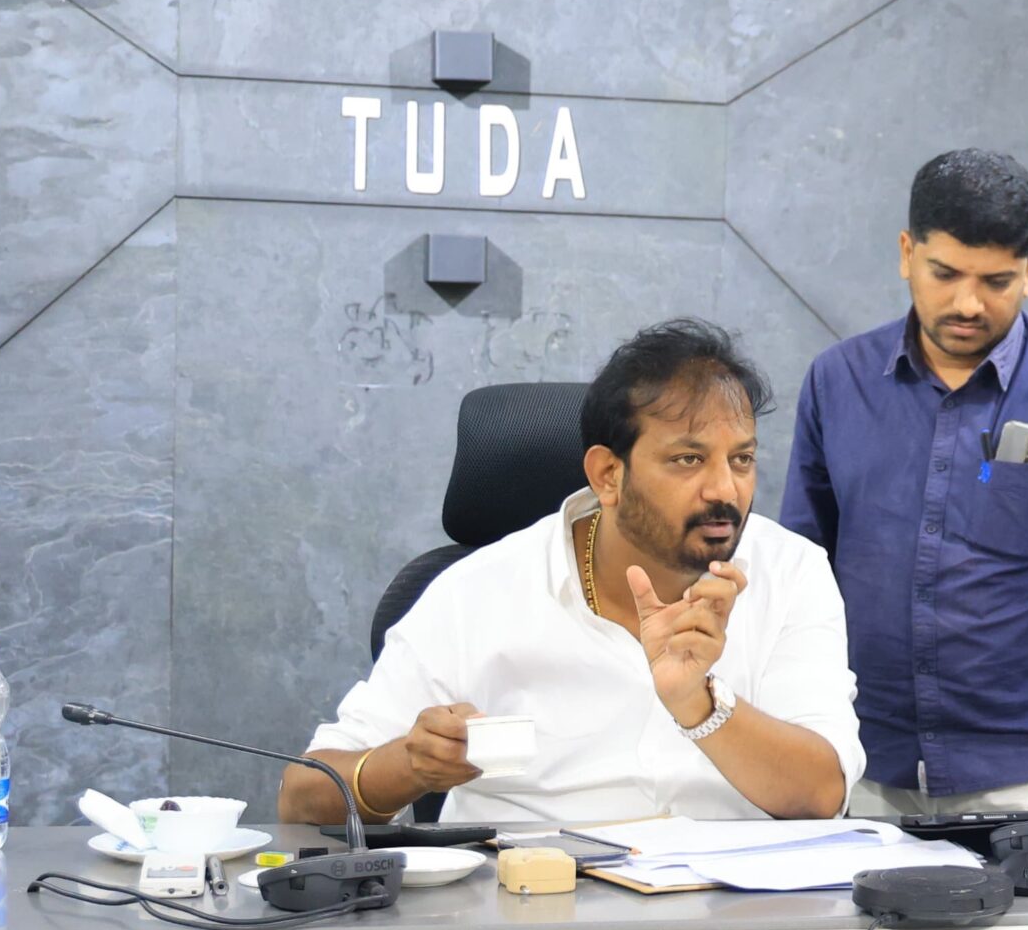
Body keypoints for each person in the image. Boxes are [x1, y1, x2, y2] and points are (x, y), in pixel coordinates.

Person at [278, 320, 863, 829]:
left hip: (733, 909)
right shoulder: (479, 590)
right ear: (608, 475)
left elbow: (822, 794)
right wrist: (407, 766)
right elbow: (303, 799)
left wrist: (702, 705)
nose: (725, 489)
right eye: (688, 460)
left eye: (741, 459)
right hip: (530, 904)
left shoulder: (790, 572)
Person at [782, 150, 1028, 816]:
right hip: (864, 762)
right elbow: (801, 568)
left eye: (996, 281)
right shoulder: (838, 381)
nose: (967, 304)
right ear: (907, 253)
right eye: (944, 274)